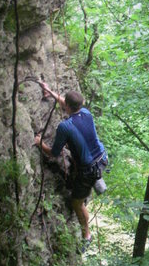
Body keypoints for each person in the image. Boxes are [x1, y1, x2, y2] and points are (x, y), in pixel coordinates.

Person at [34, 82, 107, 243]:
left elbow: (54, 153)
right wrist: (51, 92)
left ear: (67, 105)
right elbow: (66, 103)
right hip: (101, 158)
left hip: (88, 169)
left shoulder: (64, 127)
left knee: (76, 202)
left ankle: (86, 235)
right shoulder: (86, 113)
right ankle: (95, 180)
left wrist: (40, 143)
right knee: (87, 170)